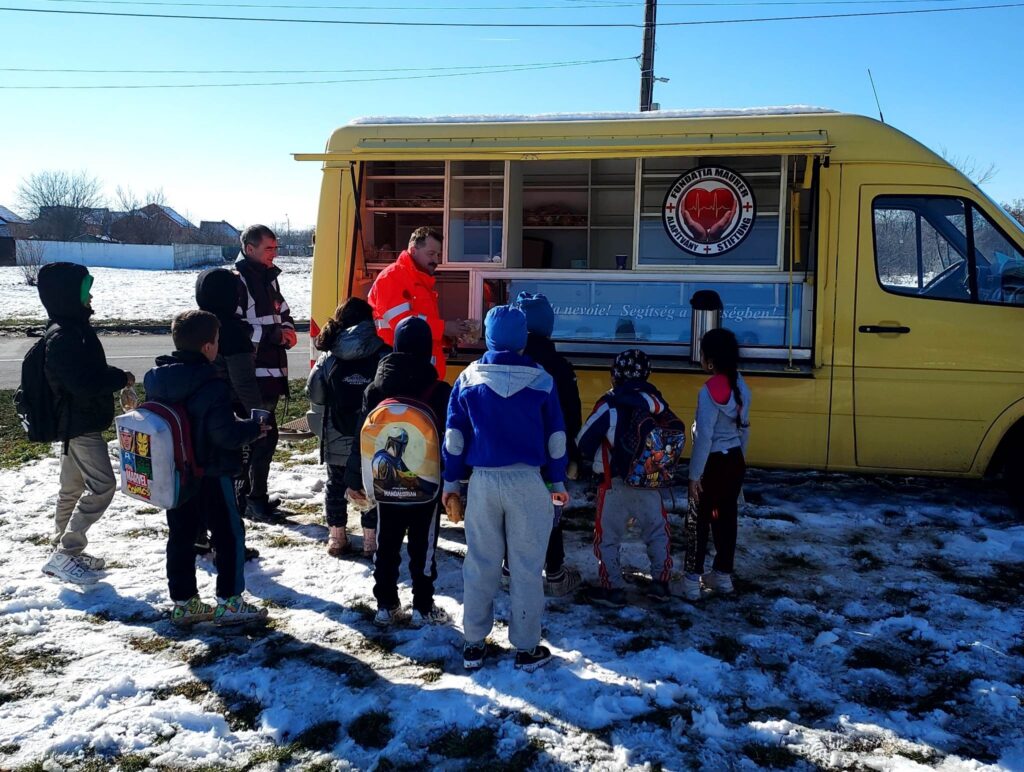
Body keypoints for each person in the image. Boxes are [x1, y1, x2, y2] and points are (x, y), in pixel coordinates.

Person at [442, 306, 569, 672]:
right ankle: (526, 648)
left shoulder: (468, 378)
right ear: (523, 338)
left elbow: (454, 438)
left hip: (483, 482)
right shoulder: (543, 380)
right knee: (527, 567)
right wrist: (557, 481)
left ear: (488, 336)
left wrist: (451, 483)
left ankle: (473, 643)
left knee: (480, 563)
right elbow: (556, 439)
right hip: (529, 482)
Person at [144, 310, 270, 625]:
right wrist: (253, 429)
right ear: (208, 346)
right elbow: (224, 435)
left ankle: (185, 603)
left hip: (177, 472)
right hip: (212, 473)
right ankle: (230, 602)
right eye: (216, 340)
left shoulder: (158, 380)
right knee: (229, 534)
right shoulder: (211, 383)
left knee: (181, 535)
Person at [344, 317, 452, 628]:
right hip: (425, 484)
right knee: (423, 547)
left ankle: (386, 604)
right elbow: (449, 441)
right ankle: (423, 606)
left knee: (387, 544)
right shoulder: (439, 390)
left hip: (385, 484)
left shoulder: (375, 389)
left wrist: (354, 478)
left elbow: (361, 436)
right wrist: (453, 482)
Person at [37, 262, 134, 585]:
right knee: (103, 485)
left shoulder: (72, 328)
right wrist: (119, 378)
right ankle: (67, 551)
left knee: (71, 489)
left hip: (76, 423)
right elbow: (83, 383)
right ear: (68, 294)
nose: (90, 297)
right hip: (79, 424)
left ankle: (62, 550)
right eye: (84, 291)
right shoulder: (64, 336)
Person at [576, 349, 675, 608]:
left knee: (607, 537)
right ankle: (661, 583)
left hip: (614, 482)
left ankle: (613, 589)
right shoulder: (658, 405)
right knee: (657, 532)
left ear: (616, 375)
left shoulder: (609, 404)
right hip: (650, 480)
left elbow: (584, 441)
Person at [511, 291, 583, 597]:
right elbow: (572, 416)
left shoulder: (507, 364)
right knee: (552, 512)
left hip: (513, 456)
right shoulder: (560, 366)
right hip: (552, 457)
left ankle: (510, 571)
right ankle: (555, 573)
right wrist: (572, 454)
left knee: (514, 513)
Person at [306, 297, 389, 557]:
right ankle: (371, 542)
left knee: (335, 485)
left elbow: (315, 393)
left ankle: (337, 539)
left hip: (336, 432)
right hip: (374, 435)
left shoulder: (328, 356)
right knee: (373, 485)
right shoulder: (383, 353)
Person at [195, 267, 263, 561]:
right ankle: (232, 542)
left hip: (197, 416)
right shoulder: (231, 331)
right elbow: (243, 382)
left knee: (201, 480)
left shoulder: (195, 323)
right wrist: (260, 418)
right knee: (234, 481)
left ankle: (199, 535)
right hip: (230, 416)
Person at [234, 224, 296, 520]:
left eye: (275, 247)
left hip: (271, 374)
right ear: (250, 249)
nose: (275, 253)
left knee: (267, 440)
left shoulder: (268, 279)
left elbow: (283, 312)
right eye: (269, 248)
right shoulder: (238, 281)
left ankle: (254, 496)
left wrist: (287, 331)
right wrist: (272, 335)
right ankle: (249, 499)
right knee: (258, 440)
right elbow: (235, 328)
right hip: (253, 376)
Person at [684, 327, 751, 602]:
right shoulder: (741, 385)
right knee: (726, 519)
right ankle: (722, 576)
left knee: (697, 520)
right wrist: (739, 462)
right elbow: (744, 429)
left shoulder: (709, 390)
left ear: (710, 360)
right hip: (734, 461)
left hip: (711, 462)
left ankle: (691, 581)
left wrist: (694, 475)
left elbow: (704, 436)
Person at [367, 226, 473, 379]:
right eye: (431, 254)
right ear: (413, 250)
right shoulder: (392, 277)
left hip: (418, 374)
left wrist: (446, 337)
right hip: (400, 373)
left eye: (438, 254)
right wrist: (444, 328)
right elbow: (403, 324)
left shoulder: (419, 280)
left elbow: (420, 324)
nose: (436, 260)